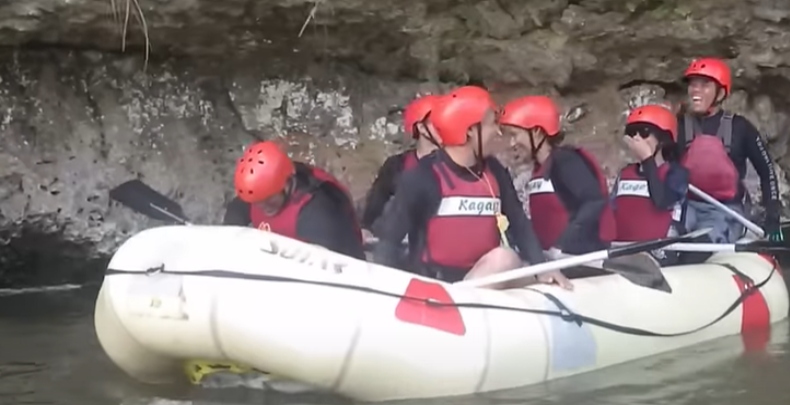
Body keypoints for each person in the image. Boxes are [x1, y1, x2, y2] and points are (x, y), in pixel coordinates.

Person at [372, 86, 571, 289]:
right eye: (492, 124)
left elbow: (518, 222)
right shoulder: (423, 176)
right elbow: (390, 241)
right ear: (469, 131)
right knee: (504, 258)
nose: (498, 132)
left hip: (484, 276)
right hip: (437, 286)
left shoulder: (494, 170)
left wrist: (540, 267)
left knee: (506, 259)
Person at [678, 57, 783, 243]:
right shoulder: (678, 125)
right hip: (686, 207)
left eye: (704, 85)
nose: (695, 90)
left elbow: (766, 172)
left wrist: (773, 217)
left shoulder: (741, 127)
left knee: (701, 245)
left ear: (720, 93)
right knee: (668, 234)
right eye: (693, 84)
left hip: (725, 210)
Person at [498, 95, 616, 257]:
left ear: (538, 132)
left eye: (515, 135)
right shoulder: (540, 168)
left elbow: (594, 202)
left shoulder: (565, 161)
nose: (512, 144)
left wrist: (562, 245)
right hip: (553, 261)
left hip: (578, 261)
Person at [223, 140, 365, 259]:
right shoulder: (261, 191)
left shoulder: (316, 211)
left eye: (269, 200)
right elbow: (236, 212)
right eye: (256, 202)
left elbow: (335, 265)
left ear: (287, 184)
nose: (263, 207)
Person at [360, 95, 442, 238]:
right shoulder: (396, 165)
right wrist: (366, 229)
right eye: (439, 121)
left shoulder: (456, 164)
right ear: (421, 127)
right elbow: (376, 205)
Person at [613, 104, 689, 243]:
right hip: (621, 250)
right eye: (632, 132)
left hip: (661, 251)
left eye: (644, 132)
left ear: (663, 139)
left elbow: (662, 202)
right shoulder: (625, 174)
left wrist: (647, 159)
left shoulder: (676, 174)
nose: (637, 138)